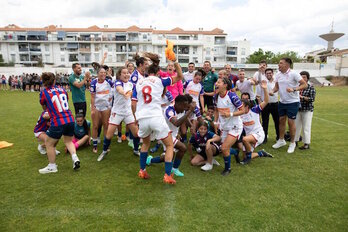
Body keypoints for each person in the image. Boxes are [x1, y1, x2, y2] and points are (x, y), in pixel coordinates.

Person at [132, 52, 183, 184]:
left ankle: (142, 170)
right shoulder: (161, 81)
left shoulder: (139, 83)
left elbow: (133, 103)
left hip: (142, 118)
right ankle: (167, 175)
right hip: (155, 116)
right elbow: (180, 76)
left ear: (147, 72)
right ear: (158, 72)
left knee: (145, 143)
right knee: (169, 145)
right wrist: (175, 61)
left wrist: (136, 118)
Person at [38, 72, 80, 174]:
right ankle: (75, 158)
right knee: (68, 141)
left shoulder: (44, 92)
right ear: (54, 80)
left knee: (49, 143)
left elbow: (44, 107)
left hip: (58, 121)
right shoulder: (62, 89)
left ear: (43, 82)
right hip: (69, 118)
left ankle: (52, 166)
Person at [97, 67, 141, 161]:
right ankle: (104, 151)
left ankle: (136, 150)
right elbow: (119, 89)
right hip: (117, 112)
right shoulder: (118, 82)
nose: (126, 74)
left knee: (136, 134)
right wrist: (124, 93)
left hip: (128, 112)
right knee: (109, 135)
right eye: (123, 73)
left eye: (127, 73)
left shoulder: (131, 84)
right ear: (119, 75)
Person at [146, 95, 195, 177]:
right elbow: (176, 123)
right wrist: (189, 111)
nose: (184, 108)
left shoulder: (181, 108)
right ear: (177, 104)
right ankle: (174, 169)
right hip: (164, 134)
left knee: (169, 156)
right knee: (182, 148)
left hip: (172, 134)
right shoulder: (169, 110)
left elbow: (184, 117)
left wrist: (191, 126)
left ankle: (150, 160)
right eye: (184, 106)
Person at [270, 58, 308, 153]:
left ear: (287, 65)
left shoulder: (294, 73)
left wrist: (294, 89)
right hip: (282, 102)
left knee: (291, 122)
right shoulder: (278, 75)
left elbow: (304, 85)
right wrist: (272, 91)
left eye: (280, 63)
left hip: (293, 102)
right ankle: (281, 140)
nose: (278, 65)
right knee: (281, 120)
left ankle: (292, 143)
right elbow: (276, 87)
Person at [214, 77, 244, 175]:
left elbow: (243, 110)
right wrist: (216, 123)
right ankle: (235, 152)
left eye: (219, 82)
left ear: (225, 85)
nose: (216, 84)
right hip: (224, 126)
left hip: (235, 126)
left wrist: (230, 114)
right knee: (223, 148)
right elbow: (216, 110)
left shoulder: (232, 96)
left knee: (224, 148)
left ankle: (228, 169)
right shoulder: (216, 97)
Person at [240, 80, 273, 164]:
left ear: (247, 106)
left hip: (258, 134)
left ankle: (248, 158)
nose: (240, 108)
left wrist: (265, 89)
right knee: (244, 156)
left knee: (244, 140)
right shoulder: (239, 115)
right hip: (249, 136)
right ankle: (261, 153)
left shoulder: (255, 110)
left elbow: (265, 101)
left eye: (242, 106)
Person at [90, 68, 113, 153]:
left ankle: (106, 145)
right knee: (95, 126)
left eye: (104, 72)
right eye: (101, 72)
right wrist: (92, 108)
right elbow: (92, 97)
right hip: (96, 106)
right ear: (98, 73)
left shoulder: (109, 82)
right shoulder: (93, 83)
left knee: (106, 125)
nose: (103, 74)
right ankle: (95, 145)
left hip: (106, 106)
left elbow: (115, 89)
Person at [256, 68, 279, 143]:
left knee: (277, 121)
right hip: (265, 105)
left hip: (275, 104)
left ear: (272, 74)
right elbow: (258, 95)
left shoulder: (276, 82)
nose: (269, 74)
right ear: (265, 74)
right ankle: (264, 137)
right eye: (267, 73)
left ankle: (279, 137)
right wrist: (260, 104)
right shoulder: (263, 83)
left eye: (270, 73)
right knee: (265, 122)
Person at [295, 71, 316, 150]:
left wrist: (301, 97)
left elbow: (312, 99)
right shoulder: (297, 86)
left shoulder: (311, 87)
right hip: (297, 109)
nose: (303, 78)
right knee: (296, 126)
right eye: (301, 77)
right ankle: (295, 141)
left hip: (307, 110)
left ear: (307, 78)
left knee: (306, 127)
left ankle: (306, 143)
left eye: (304, 77)